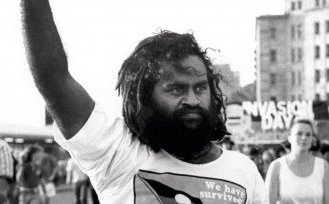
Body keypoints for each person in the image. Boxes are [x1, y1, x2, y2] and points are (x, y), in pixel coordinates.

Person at [21, 0, 267, 203]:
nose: (192, 100)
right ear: (145, 98)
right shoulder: (118, 153)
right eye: (176, 89)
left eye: (201, 88)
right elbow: (53, 78)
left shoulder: (243, 170)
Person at [265, 119, 329, 204]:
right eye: (299, 133)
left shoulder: (323, 166)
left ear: (312, 140)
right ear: (290, 138)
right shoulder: (277, 166)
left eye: (308, 135)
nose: (304, 138)